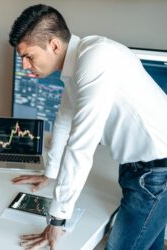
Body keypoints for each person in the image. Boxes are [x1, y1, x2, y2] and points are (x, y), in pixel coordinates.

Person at [9, 4, 167, 250]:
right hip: (139, 168)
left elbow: (80, 145)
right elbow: (64, 120)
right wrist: (49, 173)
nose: (25, 66)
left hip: (157, 173)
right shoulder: (80, 62)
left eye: (28, 56)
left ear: (53, 45)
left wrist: (57, 219)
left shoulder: (95, 60)